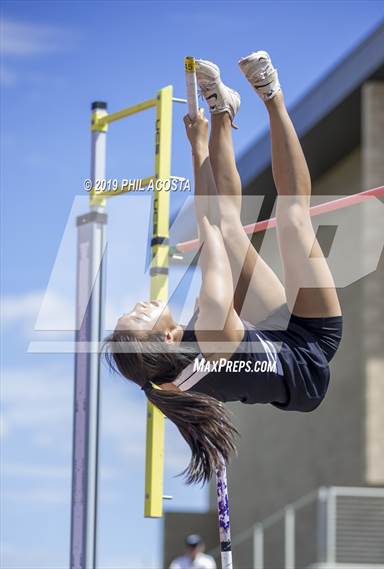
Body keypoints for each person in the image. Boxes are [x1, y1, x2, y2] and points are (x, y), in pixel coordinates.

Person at [104, 52, 343, 485]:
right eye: (141, 314)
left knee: (231, 230)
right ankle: (271, 95)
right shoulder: (210, 323)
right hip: (311, 354)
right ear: (169, 336)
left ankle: (224, 107)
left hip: (267, 338)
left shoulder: (168, 376)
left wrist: (207, 131)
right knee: (288, 220)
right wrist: (200, 158)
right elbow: (212, 221)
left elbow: (218, 219)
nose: (142, 302)